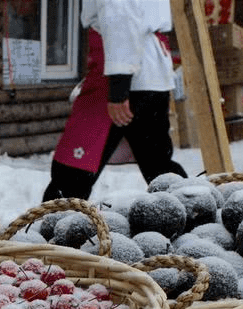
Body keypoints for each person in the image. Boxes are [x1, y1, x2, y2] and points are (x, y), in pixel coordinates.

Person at [42, 0, 187, 202]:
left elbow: (120, 13)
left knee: (72, 172)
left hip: (121, 74)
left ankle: (57, 227)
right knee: (159, 166)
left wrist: (119, 86)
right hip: (149, 73)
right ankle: (194, 213)